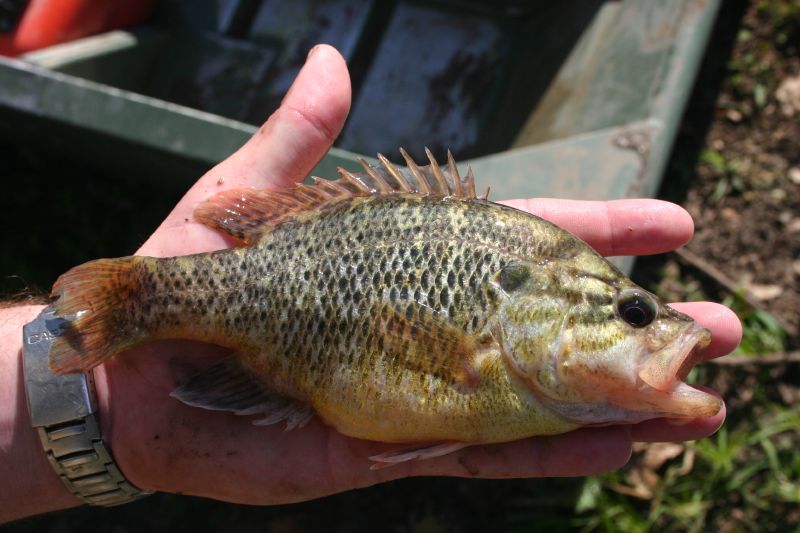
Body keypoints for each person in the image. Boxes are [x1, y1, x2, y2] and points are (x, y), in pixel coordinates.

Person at [0, 45, 741, 524]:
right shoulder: (502, 347)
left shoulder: (526, 373)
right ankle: (138, 306)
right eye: (633, 313)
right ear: (530, 306)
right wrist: (98, 406)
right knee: (131, 304)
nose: (661, 330)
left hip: (294, 358)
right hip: (280, 316)